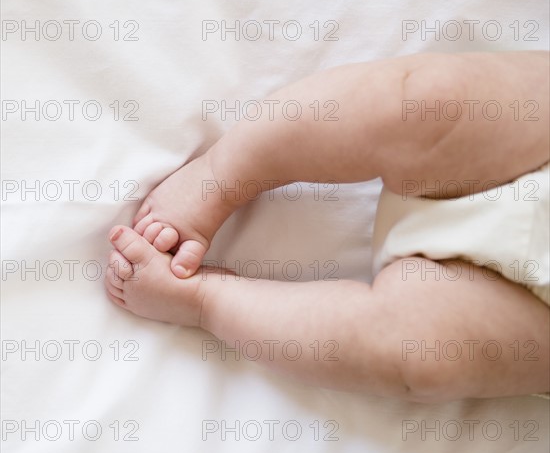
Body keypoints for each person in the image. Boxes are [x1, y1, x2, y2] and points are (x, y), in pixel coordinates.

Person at [104, 51, 550, 402]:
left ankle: (208, 301)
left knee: (418, 356)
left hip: (529, 309)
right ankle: (223, 173)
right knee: (424, 102)